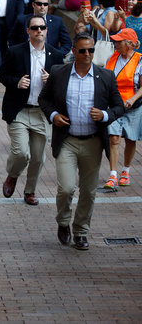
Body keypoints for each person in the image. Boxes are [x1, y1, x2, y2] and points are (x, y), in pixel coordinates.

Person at [39, 32, 124, 250]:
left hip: (93, 141)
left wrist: (104, 116)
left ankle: (81, 231)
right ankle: (63, 222)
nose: (88, 54)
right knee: (66, 188)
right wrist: (53, 116)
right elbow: (44, 99)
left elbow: (118, 106)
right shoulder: (60, 72)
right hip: (67, 139)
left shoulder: (105, 76)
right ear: (74, 51)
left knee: (88, 191)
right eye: (83, 50)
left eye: (91, 50)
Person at [0, 16, 64, 206]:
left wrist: (51, 81)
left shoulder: (56, 55)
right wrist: (16, 82)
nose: (39, 31)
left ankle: (30, 191)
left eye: (42, 27)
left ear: (46, 30)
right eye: (35, 28)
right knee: (21, 153)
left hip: (41, 112)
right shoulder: (15, 52)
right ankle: (12, 175)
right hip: (19, 110)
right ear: (28, 31)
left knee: (38, 157)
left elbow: (61, 85)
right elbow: (2, 74)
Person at [102, 28, 142, 189]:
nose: (115, 44)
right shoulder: (112, 58)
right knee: (114, 138)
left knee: (130, 139)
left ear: (129, 44)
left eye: (119, 41)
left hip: (134, 105)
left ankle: (125, 170)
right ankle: (113, 175)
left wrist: (133, 99)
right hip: (115, 106)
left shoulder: (139, 60)